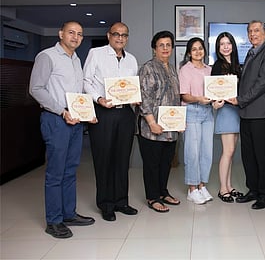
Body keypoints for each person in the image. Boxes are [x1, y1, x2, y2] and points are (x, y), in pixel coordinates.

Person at [29, 21, 96, 238]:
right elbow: (36, 89)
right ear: (61, 34)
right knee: (56, 173)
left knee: (70, 170)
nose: (75, 37)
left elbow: (78, 92)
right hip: (56, 119)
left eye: (79, 34)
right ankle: (54, 221)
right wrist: (61, 111)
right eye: (71, 33)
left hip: (76, 120)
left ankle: (69, 213)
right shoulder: (46, 56)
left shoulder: (76, 59)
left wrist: (88, 113)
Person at [83, 22, 139, 221]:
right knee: (104, 158)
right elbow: (86, 80)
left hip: (125, 114)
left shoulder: (131, 59)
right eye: (116, 34)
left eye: (124, 35)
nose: (120, 38)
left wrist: (135, 97)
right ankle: (106, 204)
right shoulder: (96, 54)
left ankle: (121, 201)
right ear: (109, 36)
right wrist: (98, 99)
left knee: (122, 159)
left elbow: (133, 86)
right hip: (103, 112)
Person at [229, 20, 265, 210]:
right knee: (248, 154)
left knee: (262, 154)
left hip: (261, 112)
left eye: (256, 30)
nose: (252, 34)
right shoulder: (251, 52)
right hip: (246, 113)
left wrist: (241, 99)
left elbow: (263, 82)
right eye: (250, 31)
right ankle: (254, 190)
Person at [137, 31, 181, 213]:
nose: (165, 48)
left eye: (168, 45)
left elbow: (176, 98)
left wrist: (179, 121)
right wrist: (151, 122)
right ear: (154, 48)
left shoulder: (171, 69)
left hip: (170, 128)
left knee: (165, 163)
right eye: (161, 45)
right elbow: (143, 97)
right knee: (152, 164)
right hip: (151, 127)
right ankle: (152, 197)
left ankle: (163, 192)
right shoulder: (147, 68)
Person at [179, 37, 214, 205]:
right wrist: (199, 99)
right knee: (192, 152)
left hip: (208, 113)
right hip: (191, 111)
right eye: (194, 49)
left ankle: (201, 185)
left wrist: (217, 100)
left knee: (206, 151)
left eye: (200, 48)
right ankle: (192, 188)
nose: (198, 51)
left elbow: (213, 91)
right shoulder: (185, 70)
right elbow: (184, 95)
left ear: (205, 51)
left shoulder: (210, 69)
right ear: (189, 53)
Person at [211, 32, 244, 203]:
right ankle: (222, 188)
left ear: (233, 45)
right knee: (228, 151)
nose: (225, 46)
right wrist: (216, 103)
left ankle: (229, 186)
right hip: (226, 112)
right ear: (218, 48)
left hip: (238, 111)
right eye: (222, 44)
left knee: (232, 152)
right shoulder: (218, 66)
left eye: (228, 43)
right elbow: (214, 91)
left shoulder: (238, 65)